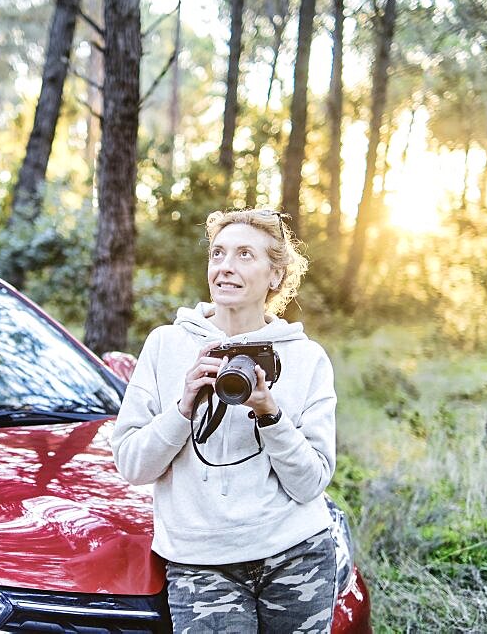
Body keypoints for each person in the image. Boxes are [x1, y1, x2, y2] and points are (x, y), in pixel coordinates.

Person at [112, 208, 337, 633]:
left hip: (297, 555)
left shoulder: (306, 358)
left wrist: (270, 413)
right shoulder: (166, 345)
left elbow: (309, 483)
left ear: (275, 275)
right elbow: (132, 465)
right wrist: (182, 408)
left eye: (244, 255)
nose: (225, 267)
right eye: (217, 253)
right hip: (201, 564)